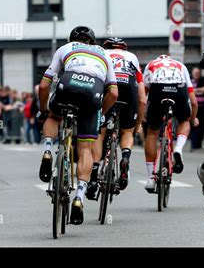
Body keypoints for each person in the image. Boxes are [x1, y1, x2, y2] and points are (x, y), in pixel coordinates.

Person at [36, 26, 118, 225]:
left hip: (68, 84)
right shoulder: (104, 54)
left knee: (54, 117)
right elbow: (114, 93)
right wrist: (101, 114)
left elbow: (44, 85)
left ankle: (47, 151)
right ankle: (79, 198)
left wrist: (44, 110)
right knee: (85, 148)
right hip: (93, 92)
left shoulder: (66, 48)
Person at [89, 37, 146, 197]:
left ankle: (93, 173)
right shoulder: (132, 57)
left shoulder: (101, 53)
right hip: (129, 89)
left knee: (100, 131)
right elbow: (142, 99)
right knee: (126, 131)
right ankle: (125, 157)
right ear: (124, 49)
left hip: (110, 87)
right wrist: (138, 124)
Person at [142, 54, 198, 192]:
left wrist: (143, 115)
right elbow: (194, 101)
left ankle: (150, 178)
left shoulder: (151, 65)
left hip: (157, 91)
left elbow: (143, 95)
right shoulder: (180, 66)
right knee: (184, 121)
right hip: (178, 90)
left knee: (152, 131)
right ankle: (178, 148)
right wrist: (192, 119)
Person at [190, 68, 204, 150]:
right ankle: (194, 143)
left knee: (201, 124)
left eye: (198, 73)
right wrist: (198, 91)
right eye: (195, 73)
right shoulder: (190, 81)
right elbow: (189, 92)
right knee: (193, 124)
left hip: (202, 106)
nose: (196, 74)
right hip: (192, 107)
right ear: (192, 73)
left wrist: (196, 90)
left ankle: (198, 143)